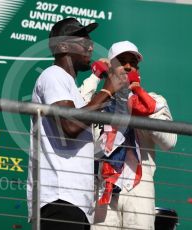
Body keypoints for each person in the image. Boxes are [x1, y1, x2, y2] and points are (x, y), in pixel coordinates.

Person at [27, 18, 128, 230]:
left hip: (76, 203)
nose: (90, 45)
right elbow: (70, 126)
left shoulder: (72, 89)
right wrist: (106, 91)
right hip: (59, 197)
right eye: (83, 39)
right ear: (62, 46)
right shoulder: (53, 75)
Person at [79, 41, 177, 230]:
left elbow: (170, 142)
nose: (128, 66)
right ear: (110, 66)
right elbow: (75, 116)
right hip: (102, 187)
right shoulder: (97, 102)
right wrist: (95, 76)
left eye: (133, 62)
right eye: (122, 61)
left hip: (139, 189)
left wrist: (143, 113)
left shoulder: (154, 101)